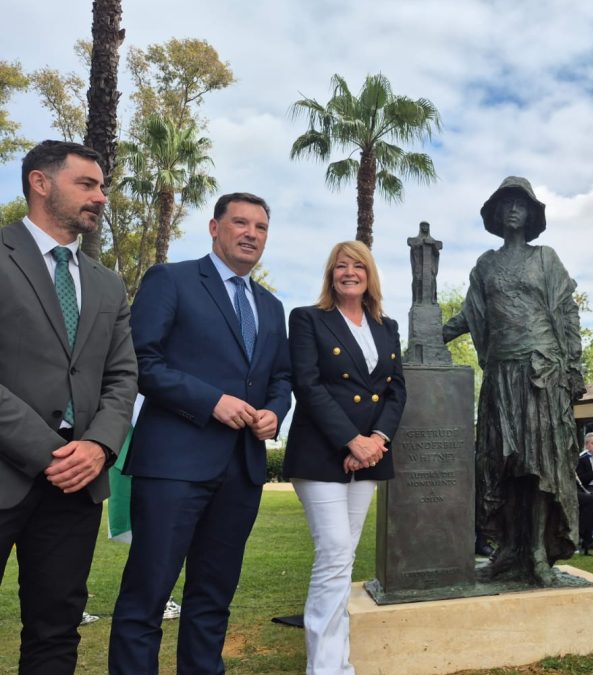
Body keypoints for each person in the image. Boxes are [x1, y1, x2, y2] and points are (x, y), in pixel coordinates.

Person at [109, 193, 292, 674]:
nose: (251, 233)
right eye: (240, 223)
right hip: (173, 465)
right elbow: (141, 361)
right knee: (147, 596)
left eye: (261, 226)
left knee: (213, 597)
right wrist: (210, 401)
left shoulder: (271, 307)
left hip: (242, 471)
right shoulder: (172, 280)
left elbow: (281, 378)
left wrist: (275, 412)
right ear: (215, 228)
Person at [0, 140, 138, 674]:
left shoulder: (107, 284)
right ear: (40, 183)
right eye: (87, 184)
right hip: (15, 469)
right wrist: (51, 452)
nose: (101, 197)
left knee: (56, 632)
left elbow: (123, 375)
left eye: (102, 186)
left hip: (77, 486)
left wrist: (100, 446)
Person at [443, 176, 586, 587]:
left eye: (520, 204)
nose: (512, 210)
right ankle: (508, 550)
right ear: (495, 213)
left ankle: (539, 552)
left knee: (538, 465)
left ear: (531, 214)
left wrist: (574, 367)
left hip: (542, 371)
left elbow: (568, 313)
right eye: (505, 203)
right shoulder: (485, 264)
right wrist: (433, 332)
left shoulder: (546, 259)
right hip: (501, 372)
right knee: (500, 465)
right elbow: (472, 314)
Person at [284, 240, 406, 674]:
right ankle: (325, 668)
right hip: (320, 453)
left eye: (358, 265)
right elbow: (308, 385)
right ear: (330, 274)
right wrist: (350, 441)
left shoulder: (387, 326)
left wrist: (374, 440)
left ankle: (339, 661)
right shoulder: (308, 319)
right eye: (341, 266)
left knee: (342, 558)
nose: (349, 272)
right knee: (334, 553)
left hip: (370, 454)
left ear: (370, 274)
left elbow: (395, 390)